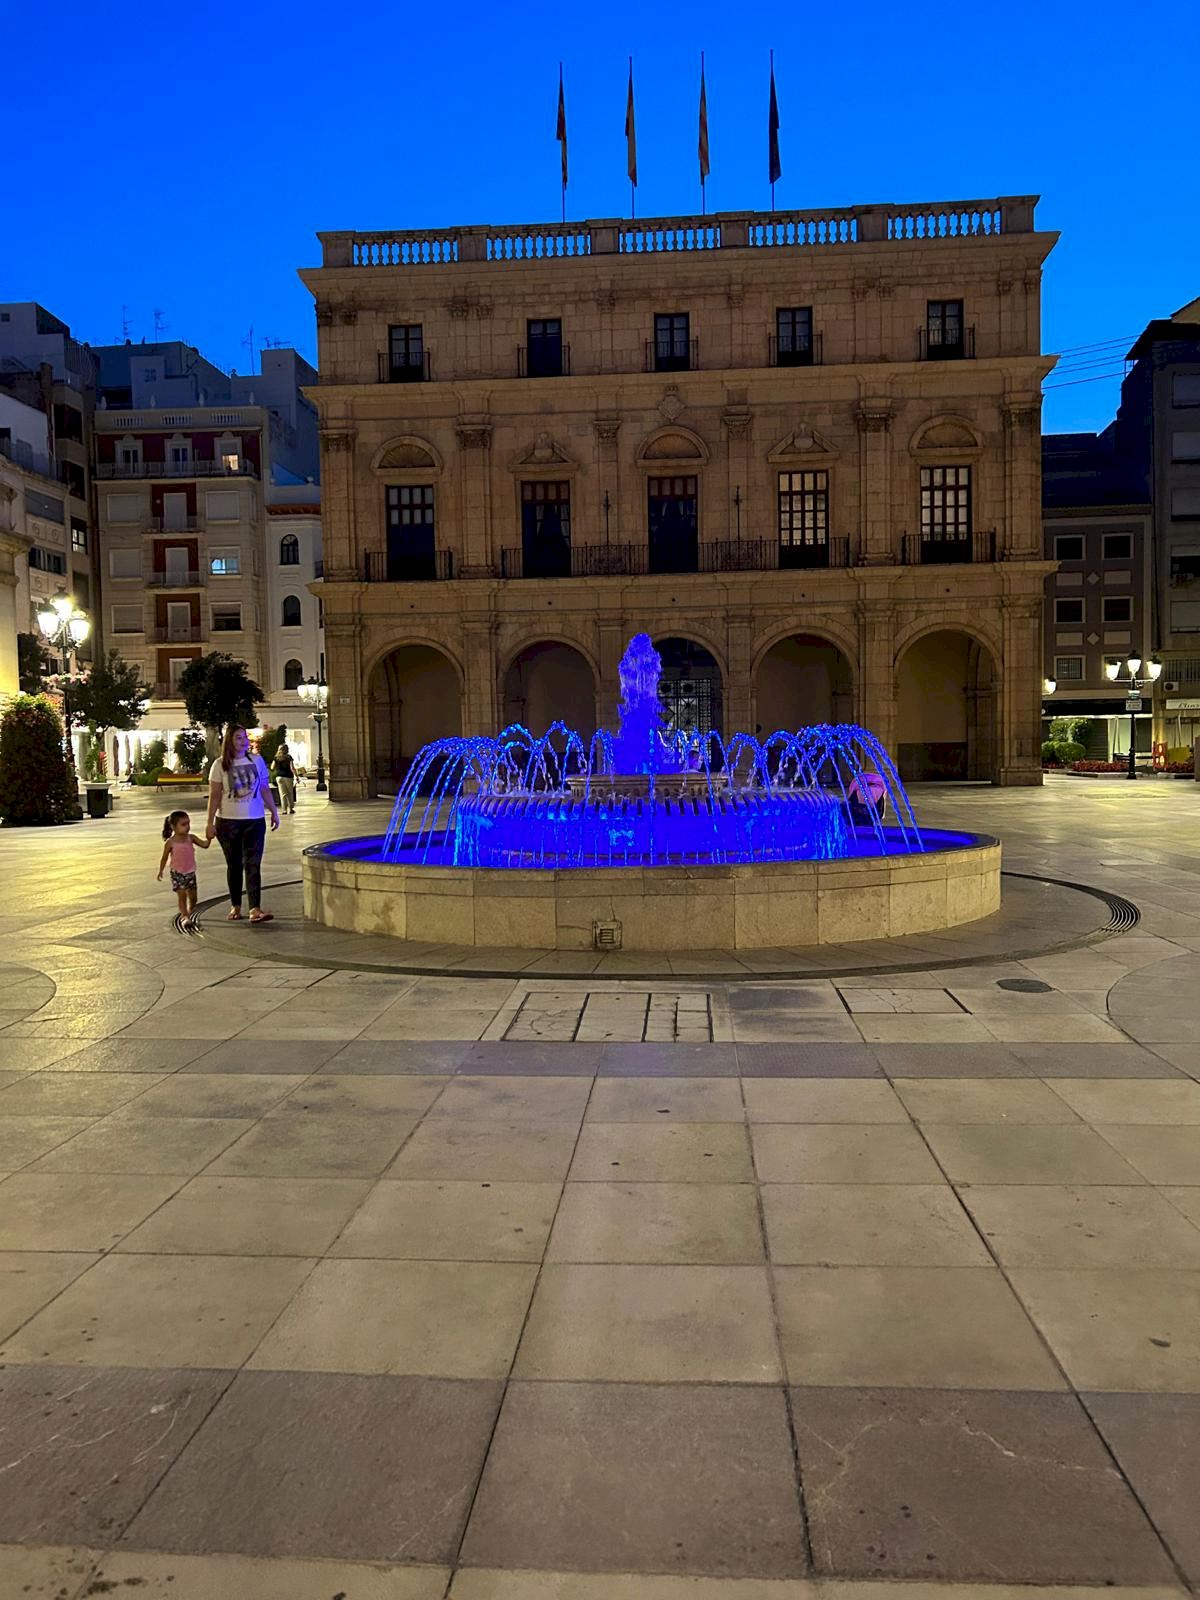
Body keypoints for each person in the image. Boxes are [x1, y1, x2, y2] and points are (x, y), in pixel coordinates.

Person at [205, 724, 280, 923]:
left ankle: (255, 908)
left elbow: (264, 788)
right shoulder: (219, 765)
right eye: (238, 737)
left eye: (245, 737)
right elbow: (214, 795)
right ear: (229, 741)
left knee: (253, 864)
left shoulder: (257, 760)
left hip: (254, 820)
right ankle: (236, 906)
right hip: (228, 822)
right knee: (234, 864)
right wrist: (209, 822)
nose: (243, 741)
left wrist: (274, 812)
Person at [157, 809, 211, 926]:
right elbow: (164, 857)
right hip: (177, 872)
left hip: (190, 872)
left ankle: (190, 911)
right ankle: (184, 915)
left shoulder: (191, 838)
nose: (187, 827)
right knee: (182, 895)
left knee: (193, 898)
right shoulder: (170, 843)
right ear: (173, 826)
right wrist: (161, 870)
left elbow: (205, 845)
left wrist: (210, 837)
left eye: (188, 823)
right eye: (183, 824)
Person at [273, 742, 297, 816]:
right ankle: (291, 809)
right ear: (286, 750)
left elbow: (272, 767)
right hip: (288, 777)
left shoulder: (276, 757)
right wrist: (297, 776)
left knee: (282, 794)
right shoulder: (289, 757)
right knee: (290, 793)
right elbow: (292, 768)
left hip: (279, 777)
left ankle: (284, 810)